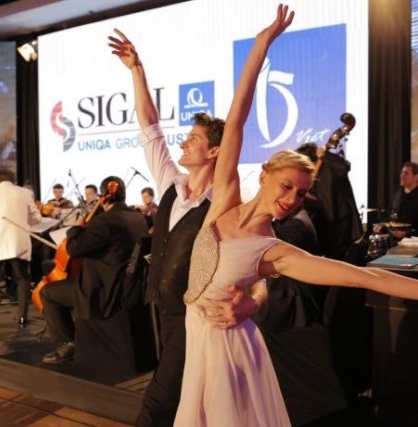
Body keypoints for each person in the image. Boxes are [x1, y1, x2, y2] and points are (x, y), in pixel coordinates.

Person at [120, 6, 418, 425]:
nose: (293, 199)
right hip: (196, 337)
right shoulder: (222, 201)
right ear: (264, 176)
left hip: (228, 351)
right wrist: (261, 44)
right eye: (286, 186)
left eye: (302, 193)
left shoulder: (274, 251)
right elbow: (237, 117)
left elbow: (369, 278)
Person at [109, 23, 268, 427]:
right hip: (161, 309)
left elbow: (260, 264)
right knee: (183, 400)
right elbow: (150, 128)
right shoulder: (171, 185)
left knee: (158, 402)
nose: (183, 142)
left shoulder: (228, 201)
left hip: (195, 314)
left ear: (215, 151)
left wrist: (253, 302)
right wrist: (136, 69)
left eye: (194, 138)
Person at [39, 176, 148, 364]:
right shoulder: (138, 218)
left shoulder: (105, 221)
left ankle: (69, 343)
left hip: (103, 290)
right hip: (128, 285)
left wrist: (76, 229)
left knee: (47, 292)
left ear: (103, 197)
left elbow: (74, 248)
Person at [0, 168, 42, 329]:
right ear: (13, 181)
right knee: (23, 280)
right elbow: (36, 218)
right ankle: (23, 317)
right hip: (19, 243)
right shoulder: (25, 193)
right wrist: (24, 220)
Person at [375, 161, 418, 239]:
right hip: (392, 240)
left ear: (416, 177)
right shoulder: (395, 196)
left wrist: (406, 233)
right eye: (402, 173)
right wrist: (381, 227)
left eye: (406, 173)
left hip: (412, 242)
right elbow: (389, 218)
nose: (401, 176)